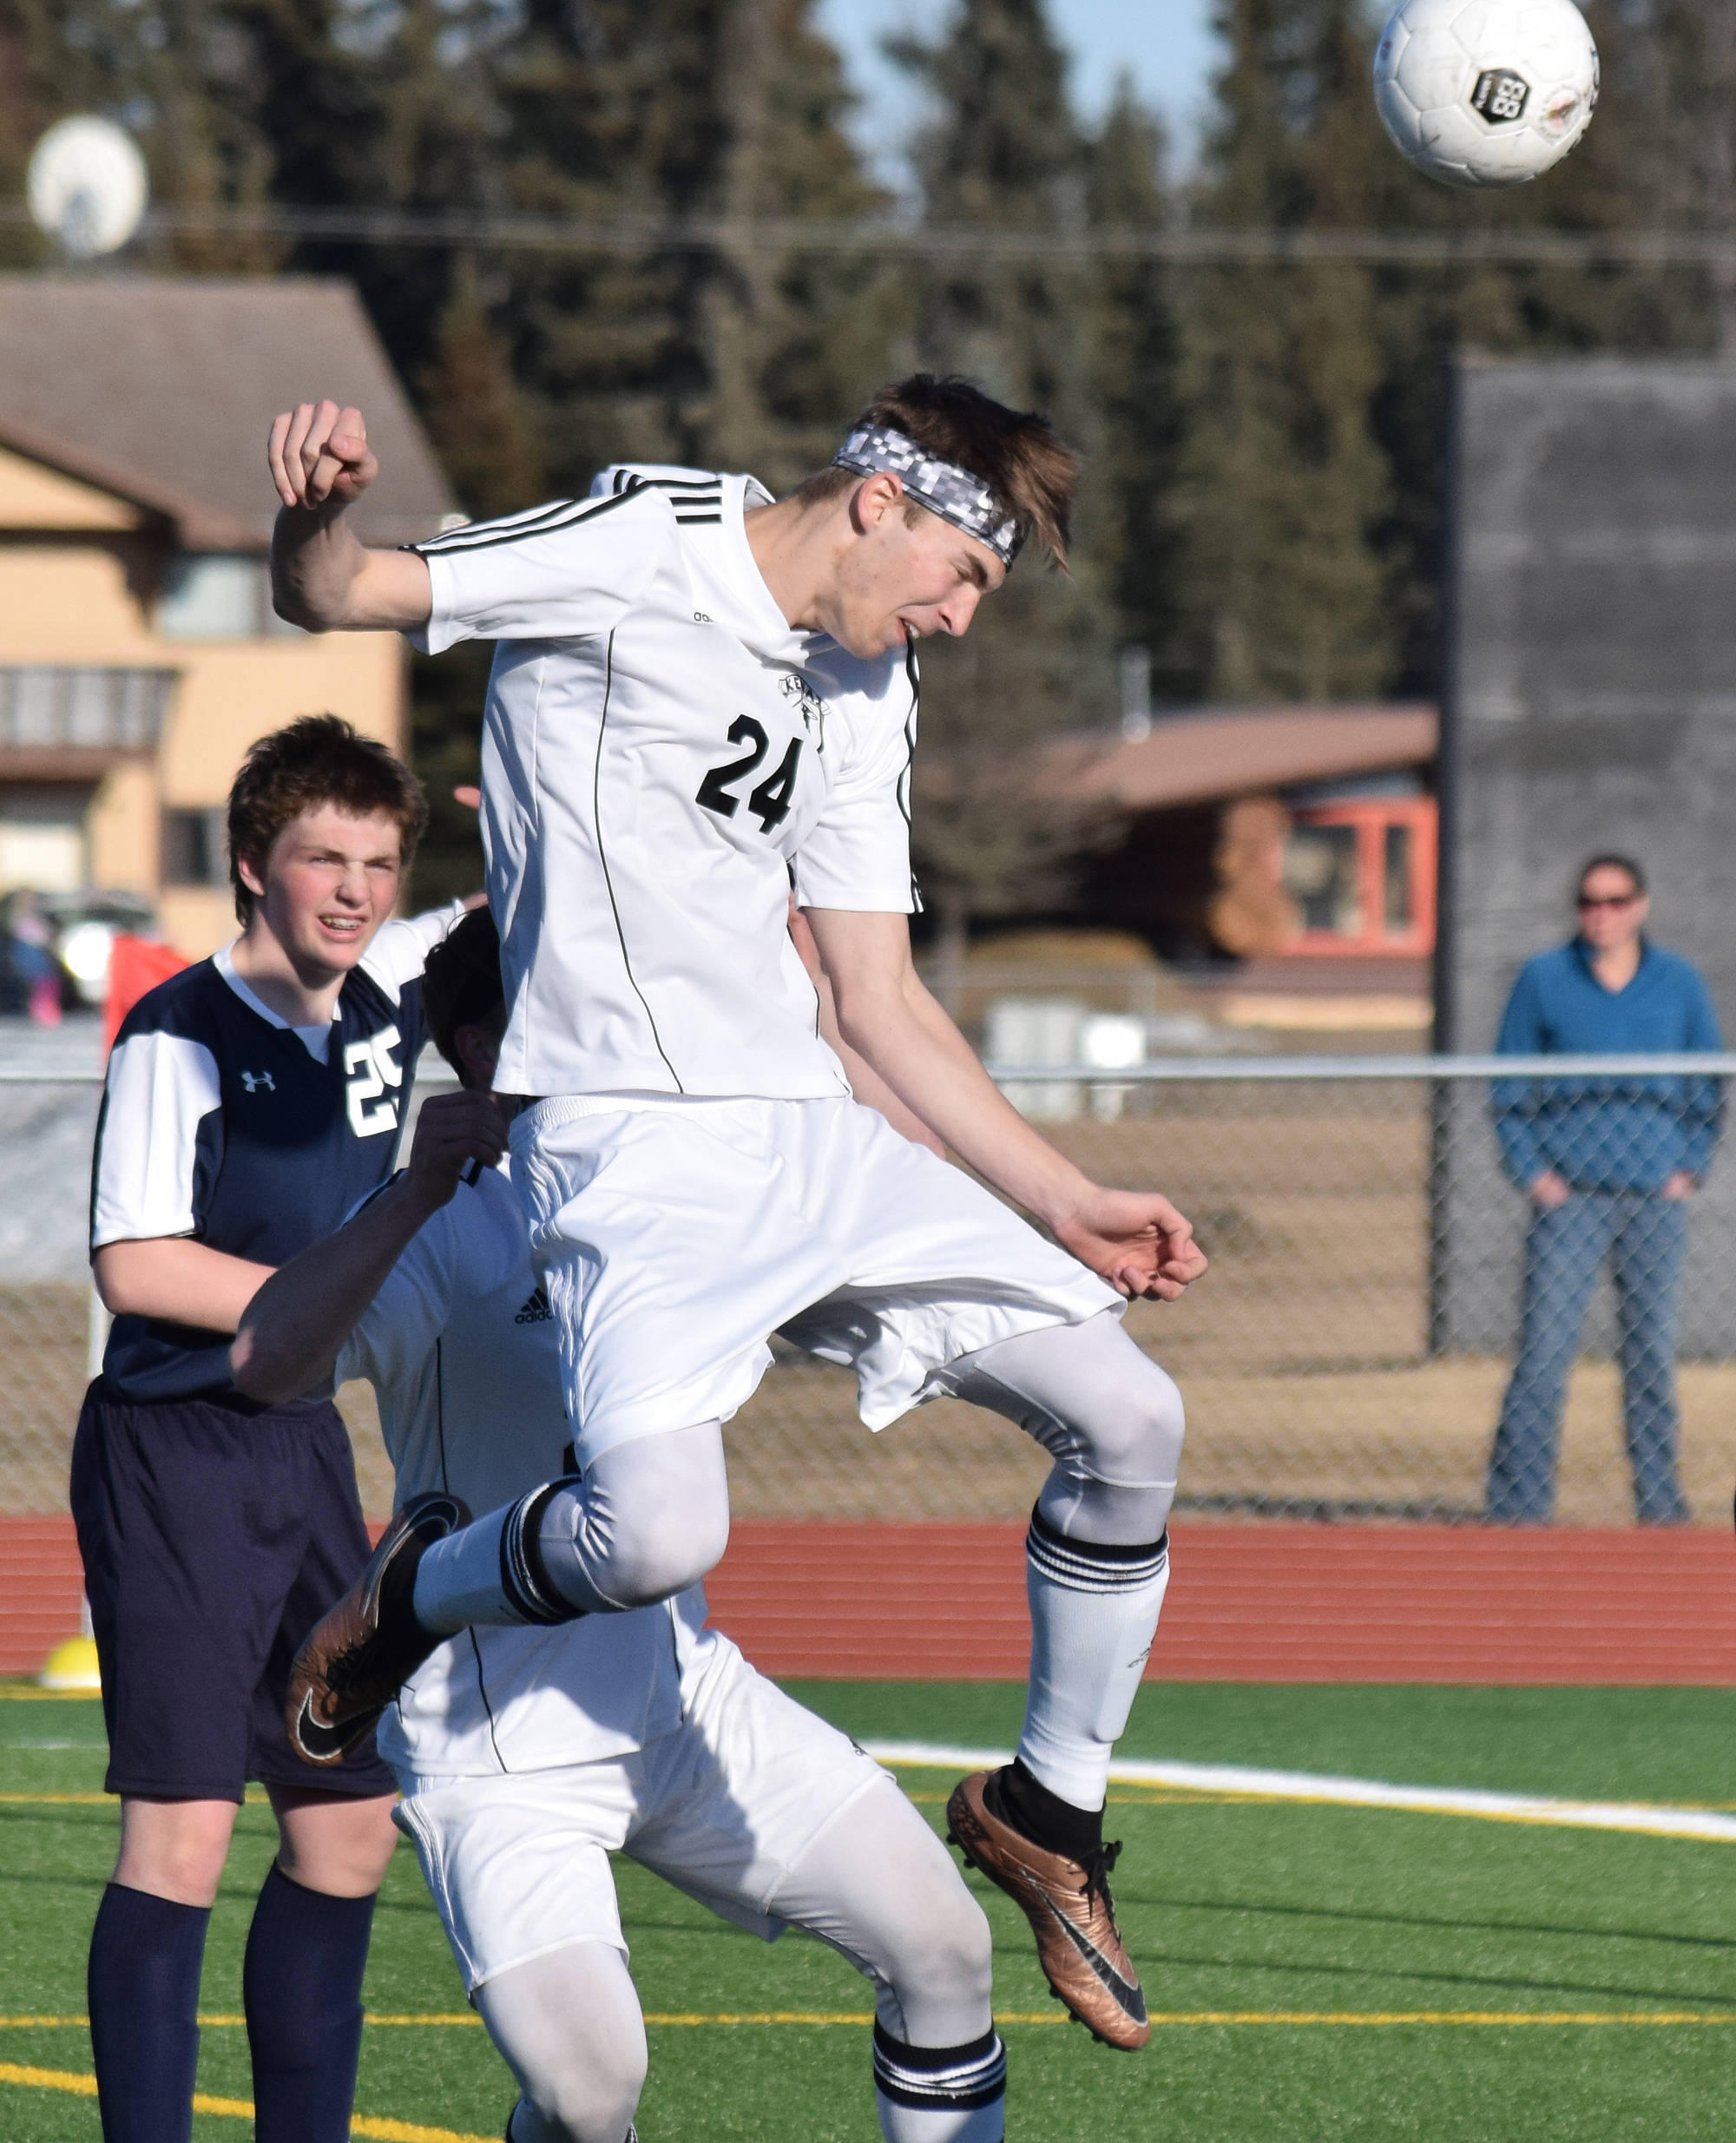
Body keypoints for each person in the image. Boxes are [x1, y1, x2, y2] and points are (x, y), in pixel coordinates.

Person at [263, 377, 1207, 2052]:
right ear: (878, 501)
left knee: (1133, 1412)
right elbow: (340, 593)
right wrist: (317, 514)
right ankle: (420, 1588)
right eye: (965, 573)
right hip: (633, 1151)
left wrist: (1070, 1200)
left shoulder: (868, 674)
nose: (962, 617)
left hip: (811, 1133)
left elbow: (874, 997)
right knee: (657, 1537)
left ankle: (1046, 1819)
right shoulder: (640, 539)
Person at [230, 906, 1008, 2143]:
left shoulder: (682, 1177)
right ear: (481, 1048)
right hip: (500, 1752)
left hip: (680, 1696)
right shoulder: (443, 1220)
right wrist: (414, 1186)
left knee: (946, 1949)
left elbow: (883, 1163)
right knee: (592, 2095)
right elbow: (265, 1363)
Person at [72, 715, 464, 2143]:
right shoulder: (176, 1032)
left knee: (349, 1825)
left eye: (375, 861)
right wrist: (342, 1297)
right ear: (255, 866)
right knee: (181, 1837)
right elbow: (138, 1263)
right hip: (174, 1460)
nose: (352, 888)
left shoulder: (386, 997)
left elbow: (511, 921)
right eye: (321, 858)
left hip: (303, 1459)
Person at [1488, 852, 1724, 1525]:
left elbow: (1710, 1080)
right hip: (1573, 1201)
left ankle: (1660, 1506)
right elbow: (1506, 1084)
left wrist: (1691, 1165)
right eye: (1591, 902)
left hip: (1654, 1199)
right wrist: (1533, 1172)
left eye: (1617, 901)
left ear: (1641, 906)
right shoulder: (1543, 979)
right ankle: (1517, 1511)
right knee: (1543, 1357)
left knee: (1650, 1357)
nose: (1603, 914)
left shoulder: (1678, 982)